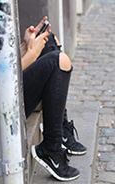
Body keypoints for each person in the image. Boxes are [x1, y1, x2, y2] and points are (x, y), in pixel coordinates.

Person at [21, 16, 86, 181]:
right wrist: (31, 53)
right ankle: (51, 148)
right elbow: (2, 80)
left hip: (15, 88)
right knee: (59, 61)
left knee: (49, 39)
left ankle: (61, 130)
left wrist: (25, 45)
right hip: (7, 106)